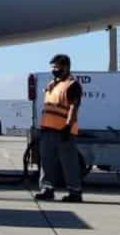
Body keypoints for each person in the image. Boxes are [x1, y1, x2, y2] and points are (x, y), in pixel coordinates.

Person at [35, 53, 84, 202]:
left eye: (56, 67)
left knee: (68, 163)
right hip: (48, 130)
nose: (54, 70)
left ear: (66, 67)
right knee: (46, 161)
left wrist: (68, 127)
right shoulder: (53, 84)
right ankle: (47, 189)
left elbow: (73, 107)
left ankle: (75, 192)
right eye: (53, 67)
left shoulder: (72, 85)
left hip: (64, 131)